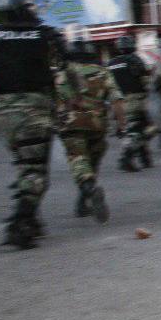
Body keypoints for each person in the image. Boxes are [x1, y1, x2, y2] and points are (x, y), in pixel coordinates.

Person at [0, 0, 66, 249]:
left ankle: (32, 221)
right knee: (35, 171)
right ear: (24, 10)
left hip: (2, 111)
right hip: (33, 109)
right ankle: (19, 225)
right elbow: (63, 64)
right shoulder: (45, 34)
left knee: (26, 166)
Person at [57, 40, 125, 223]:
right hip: (97, 124)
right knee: (92, 163)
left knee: (79, 160)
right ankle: (82, 203)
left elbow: (54, 100)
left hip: (71, 124)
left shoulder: (62, 74)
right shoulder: (103, 72)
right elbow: (117, 101)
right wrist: (121, 125)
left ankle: (90, 190)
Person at [108, 33, 152, 172]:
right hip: (135, 98)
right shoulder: (134, 59)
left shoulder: (111, 63)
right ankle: (126, 157)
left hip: (117, 101)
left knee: (134, 127)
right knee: (140, 128)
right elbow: (144, 78)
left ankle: (145, 157)